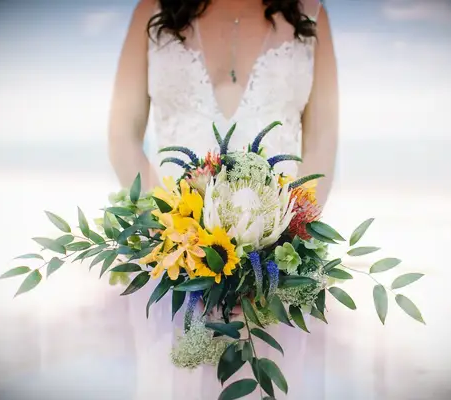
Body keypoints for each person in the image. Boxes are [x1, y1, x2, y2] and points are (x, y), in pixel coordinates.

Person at [104, 0, 342, 398]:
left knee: (269, 383)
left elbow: (321, 146)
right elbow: (122, 136)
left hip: (274, 274)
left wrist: (280, 239)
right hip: (172, 261)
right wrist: (175, 234)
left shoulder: (311, 13)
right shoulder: (152, 10)